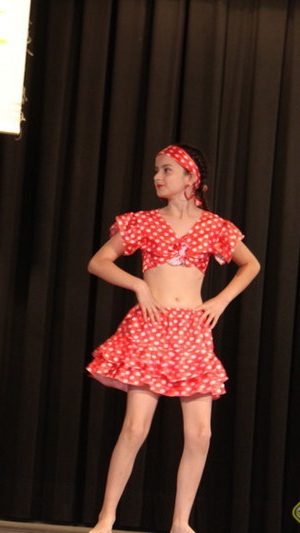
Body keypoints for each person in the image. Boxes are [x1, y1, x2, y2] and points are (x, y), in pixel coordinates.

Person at [85, 144, 260, 533]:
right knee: (135, 427)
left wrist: (221, 299)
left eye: (166, 170)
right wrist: (138, 285)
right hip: (151, 326)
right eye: (156, 170)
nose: (157, 177)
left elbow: (250, 264)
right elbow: (98, 262)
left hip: (192, 332)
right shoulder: (144, 222)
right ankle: (107, 517)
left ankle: (181, 522)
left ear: (190, 178)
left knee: (200, 433)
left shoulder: (214, 226)